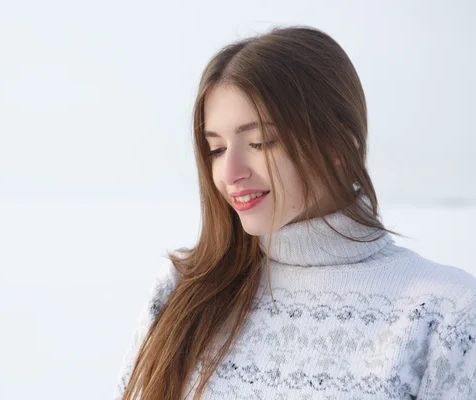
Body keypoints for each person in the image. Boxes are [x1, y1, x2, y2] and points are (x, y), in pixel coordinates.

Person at [112, 25, 476, 400]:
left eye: (260, 142)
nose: (230, 173)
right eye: (216, 150)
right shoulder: (182, 291)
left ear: (337, 145)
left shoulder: (444, 315)